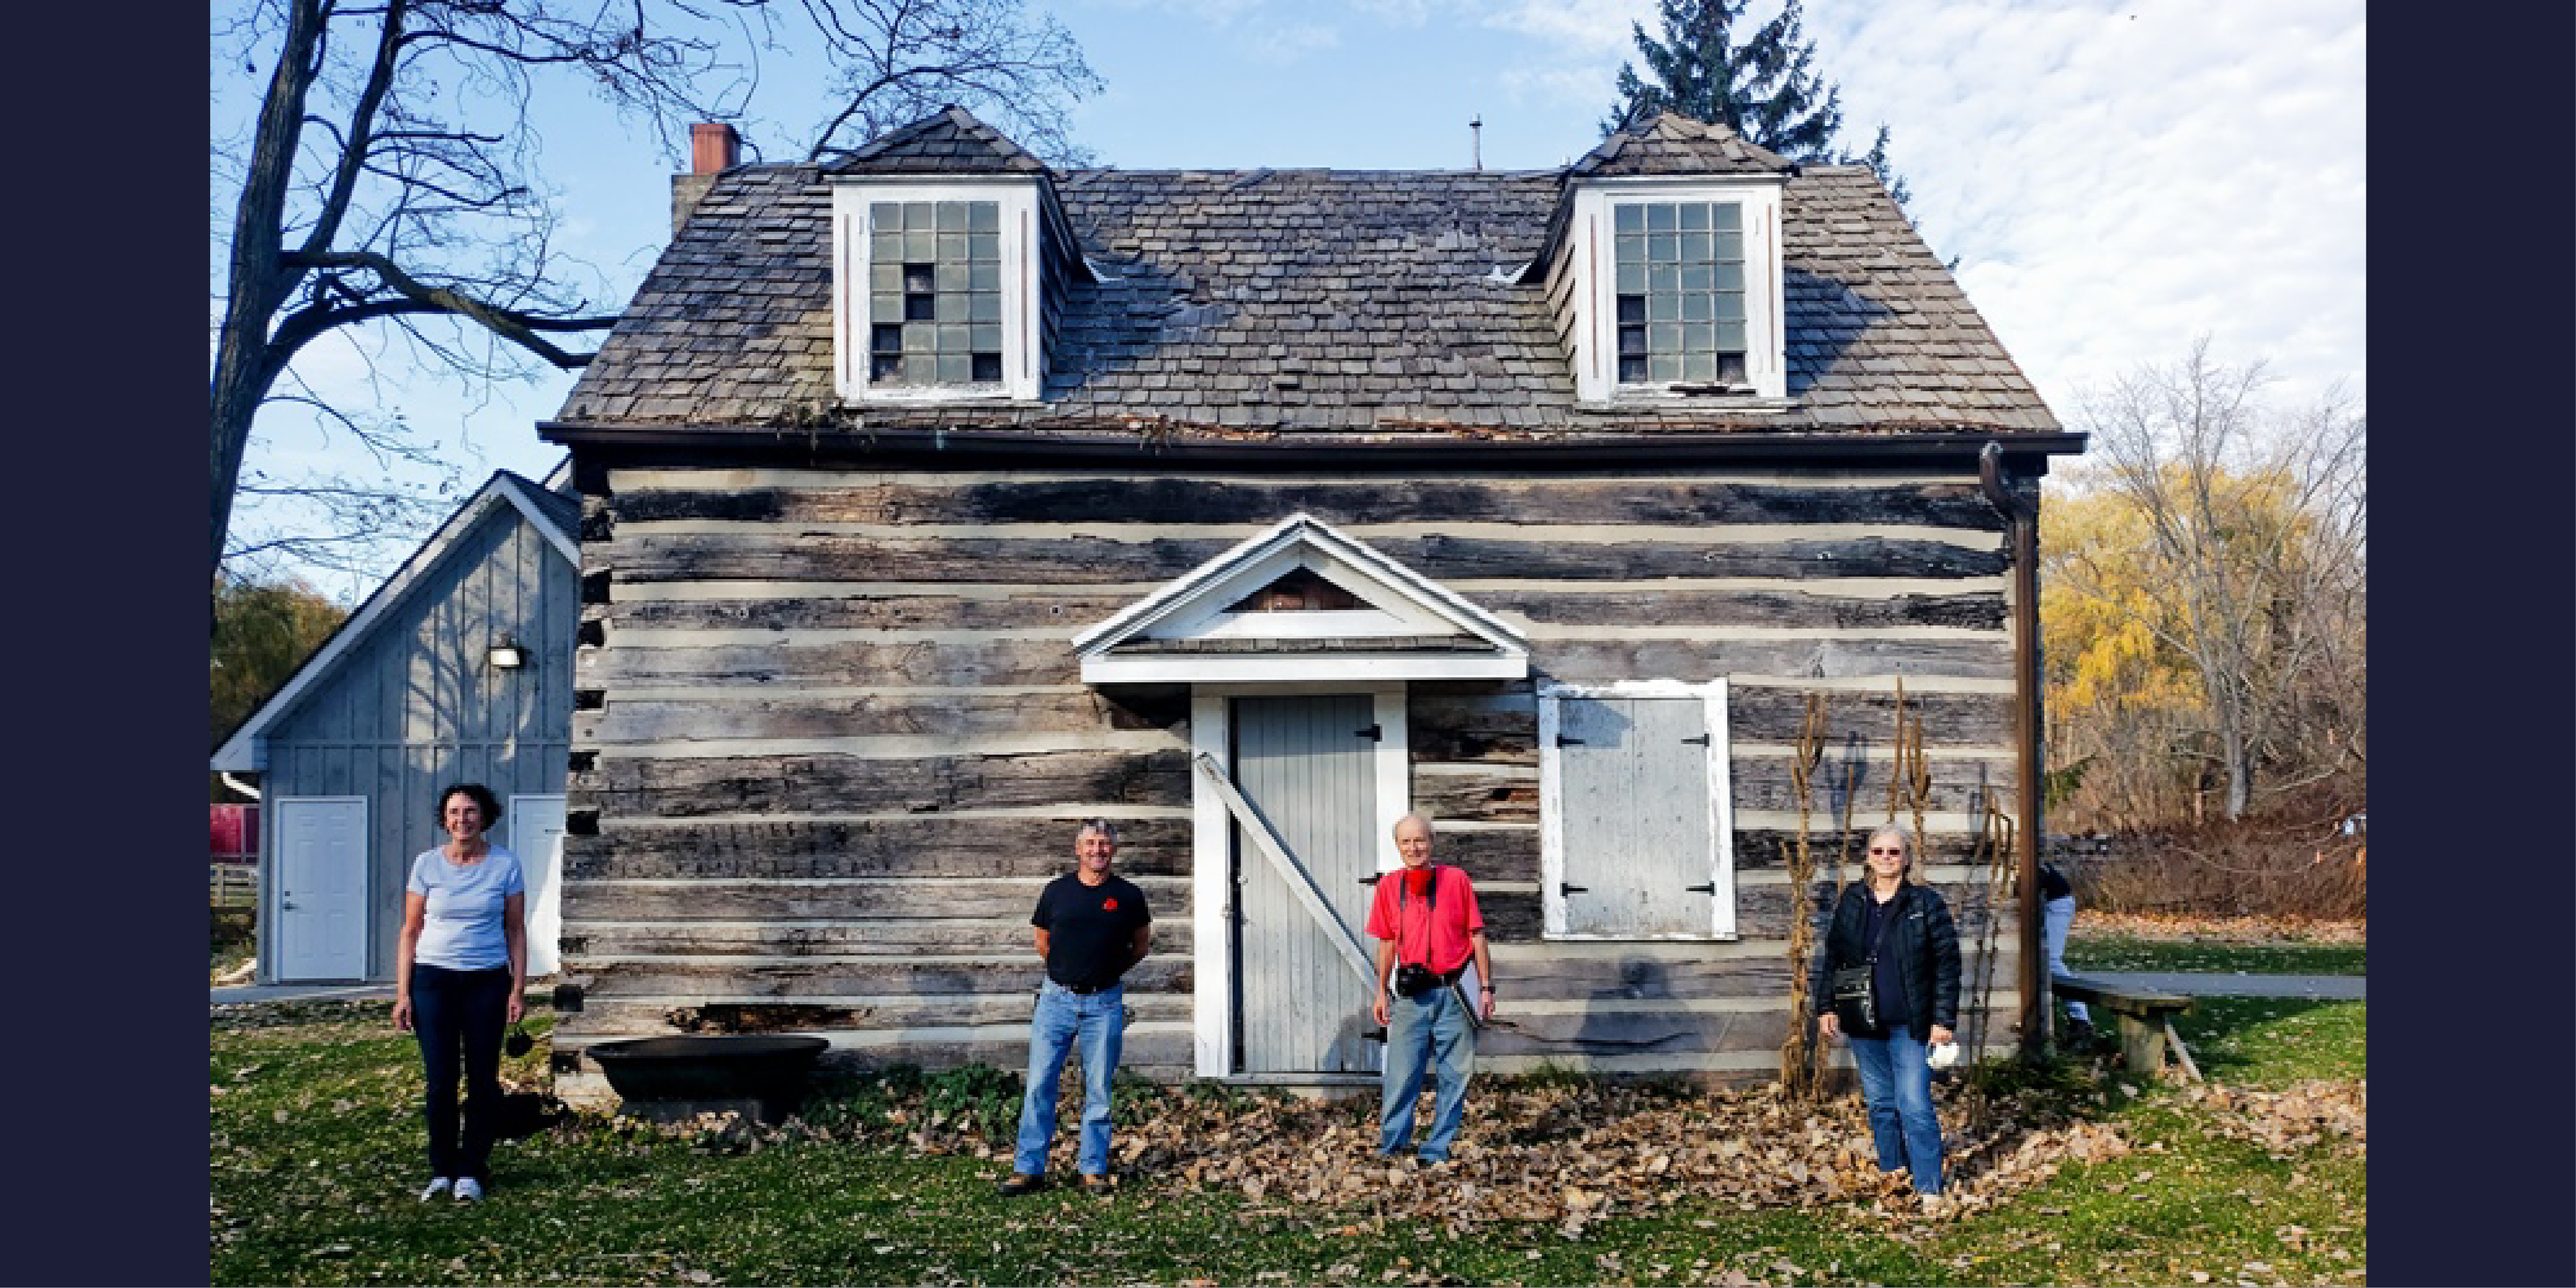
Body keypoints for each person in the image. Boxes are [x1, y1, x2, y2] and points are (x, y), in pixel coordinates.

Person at [1001, 820, 1152, 1196]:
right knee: (1039, 1084)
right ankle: (1028, 1169)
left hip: (1104, 1004)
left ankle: (1093, 1169)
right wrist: (1069, 975)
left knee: (1099, 1088)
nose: (1097, 850)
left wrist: (1104, 973)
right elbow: (1043, 942)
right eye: (1090, 843)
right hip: (1056, 1002)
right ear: (1077, 849)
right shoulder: (1056, 893)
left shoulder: (1129, 897)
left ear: (1113, 850)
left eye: (1103, 844)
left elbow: (1141, 947)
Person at [393, 782, 527, 1203]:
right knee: (440, 1080)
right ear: (444, 819)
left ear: (485, 817)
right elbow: (410, 930)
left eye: (470, 812)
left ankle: (472, 1171)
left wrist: (517, 988)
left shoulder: (506, 864)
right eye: (453, 812)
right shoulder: (426, 865)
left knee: (482, 1080)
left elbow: (515, 930)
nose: (462, 820)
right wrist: (402, 993)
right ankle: (442, 1170)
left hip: (486, 981)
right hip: (432, 981)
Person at [1813, 821, 1962, 1197]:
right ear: (1868, 857)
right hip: (1865, 1022)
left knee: (1915, 1106)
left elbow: (1947, 964)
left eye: (1894, 852)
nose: (1886, 858)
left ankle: (1929, 1187)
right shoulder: (1852, 902)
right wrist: (1827, 1005)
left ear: (1907, 859)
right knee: (1880, 1104)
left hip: (1912, 1025)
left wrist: (1942, 1020)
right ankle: (1894, 1173)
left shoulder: (1926, 905)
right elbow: (1836, 956)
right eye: (1879, 851)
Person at [1366, 813, 1494, 1165]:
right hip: (1411, 996)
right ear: (1397, 846)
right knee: (1401, 1074)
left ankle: (1437, 1148)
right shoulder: (1390, 887)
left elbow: (1477, 935)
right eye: (1406, 842)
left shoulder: (1457, 881)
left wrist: (1485, 988)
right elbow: (1387, 944)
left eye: (1420, 840)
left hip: (1454, 993)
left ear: (1432, 841)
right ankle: (1392, 1145)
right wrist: (1381, 991)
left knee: (1456, 1074)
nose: (1414, 848)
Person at [2038, 859, 2093, 1043]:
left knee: (2051, 961)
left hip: (2057, 903)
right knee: (2042, 962)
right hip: (2047, 903)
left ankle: (2081, 1019)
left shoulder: (2034, 863)